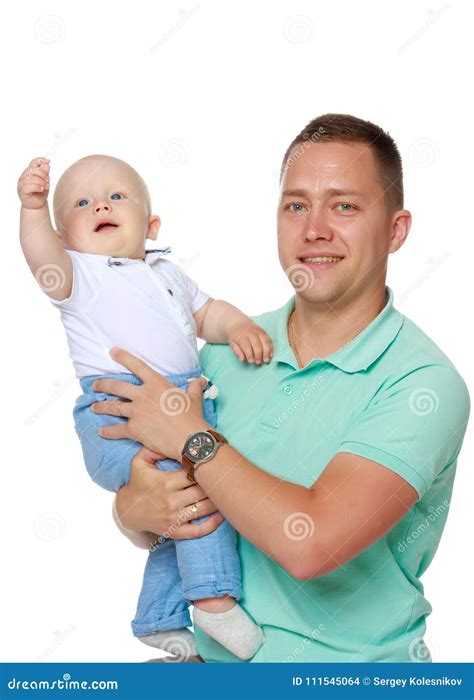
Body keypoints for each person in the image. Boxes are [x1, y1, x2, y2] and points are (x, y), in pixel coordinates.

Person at [89, 115, 470, 662]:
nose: (314, 229)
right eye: (296, 205)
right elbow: (164, 514)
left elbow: (310, 543)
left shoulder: (422, 384)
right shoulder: (225, 349)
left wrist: (194, 439)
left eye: (344, 205)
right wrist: (133, 515)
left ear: (396, 229)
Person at [17, 154, 272, 660]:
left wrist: (238, 326)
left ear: (150, 225)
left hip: (181, 403)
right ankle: (213, 600)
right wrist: (32, 210)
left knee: (176, 509)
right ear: (64, 235)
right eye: (82, 203)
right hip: (117, 409)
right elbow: (41, 257)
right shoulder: (77, 276)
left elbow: (208, 312)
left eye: (116, 197)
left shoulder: (167, 271)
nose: (100, 205)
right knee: (199, 488)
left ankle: (160, 619)